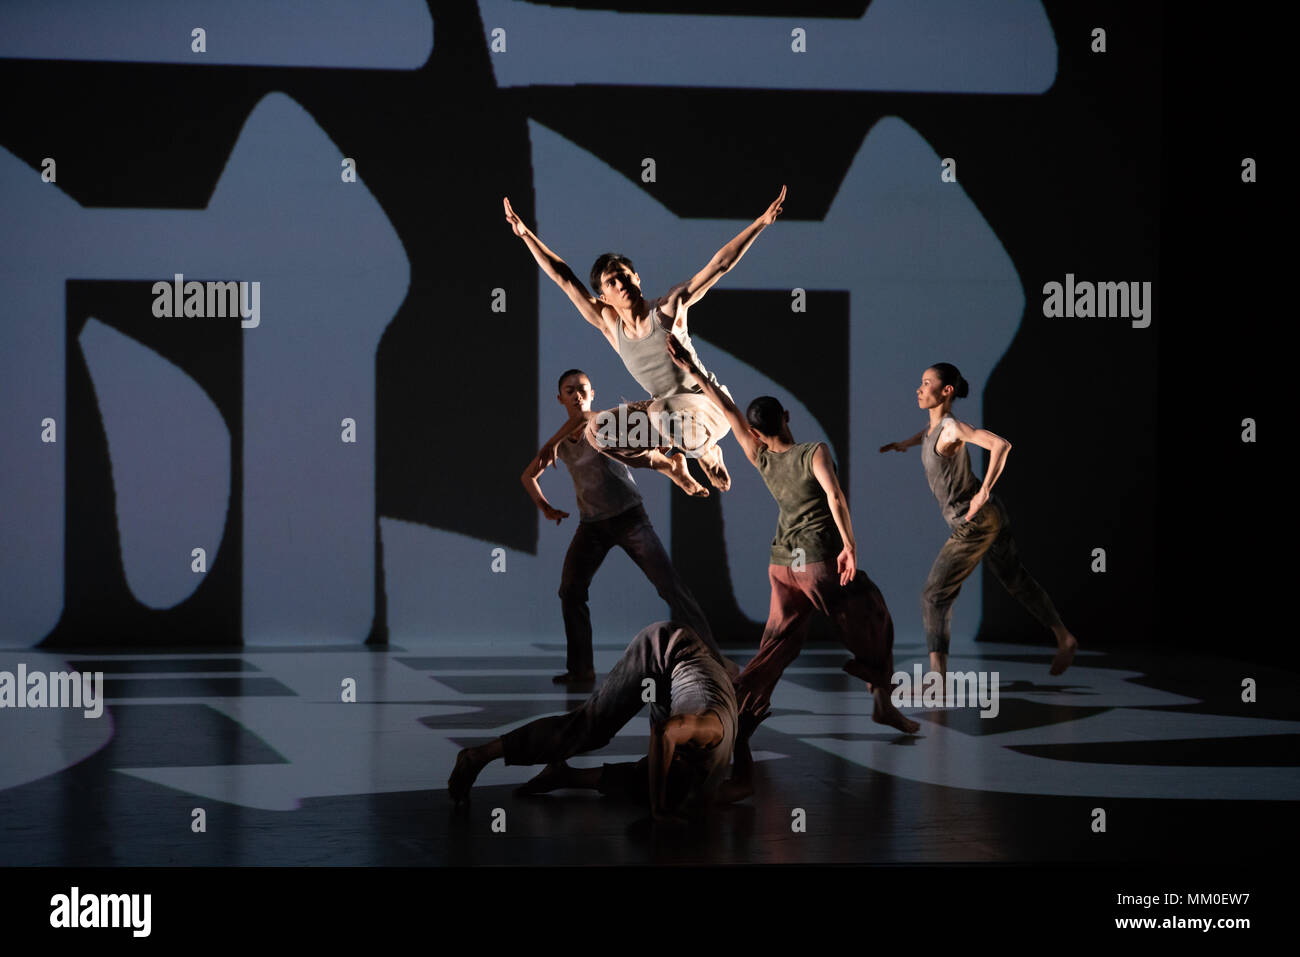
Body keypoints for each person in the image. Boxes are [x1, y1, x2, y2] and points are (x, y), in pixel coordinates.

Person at [664, 335, 921, 758]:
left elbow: (725, 407)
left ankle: (733, 722)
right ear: (785, 416)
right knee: (875, 614)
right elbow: (835, 497)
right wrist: (850, 546)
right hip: (818, 562)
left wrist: (690, 367)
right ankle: (883, 700)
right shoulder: (811, 452)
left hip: (783, 565)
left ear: (755, 431)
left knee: (778, 646)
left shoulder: (758, 455)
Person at [503, 187, 787, 493]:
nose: (621, 283)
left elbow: (718, 266)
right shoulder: (609, 325)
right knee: (598, 432)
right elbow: (564, 278)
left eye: (625, 276)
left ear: (637, 279)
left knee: (658, 411)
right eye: (612, 282)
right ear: (604, 297)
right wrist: (526, 236)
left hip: (710, 408)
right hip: (668, 417)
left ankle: (706, 452)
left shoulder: (667, 310)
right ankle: (668, 465)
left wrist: (759, 223)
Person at [522, 369, 734, 686]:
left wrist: (550, 442)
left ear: (593, 393)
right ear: (560, 398)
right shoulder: (563, 446)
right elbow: (527, 477)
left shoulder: (601, 424)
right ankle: (581, 670)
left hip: (629, 518)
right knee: (571, 591)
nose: (577, 395)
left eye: (582, 389)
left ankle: (718, 661)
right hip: (592, 525)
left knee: (670, 587)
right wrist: (546, 508)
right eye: (570, 391)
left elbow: (584, 420)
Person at [879, 364, 1078, 678]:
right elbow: (928, 435)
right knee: (1016, 579)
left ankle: (937, 679)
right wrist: (906, 443)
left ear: (947, 391)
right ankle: (1064, 638)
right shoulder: (933, 428)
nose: (919, 388)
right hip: (989, 517)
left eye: (927, 383)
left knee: (934, 594)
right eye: (920, 382)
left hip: (974, 521)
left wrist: (983, 491)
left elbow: (1001, 445)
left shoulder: (951, 427)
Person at [448, 621, 749, 824]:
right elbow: (664, 732)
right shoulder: (708, 730)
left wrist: (745, 739)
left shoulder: (704, 792)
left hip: (693, 682)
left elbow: (745, 786)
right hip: (667, 649)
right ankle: (478, 755)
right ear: (680, 760)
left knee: (648, 771)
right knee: (591, 727)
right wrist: (659, 811)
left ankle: (562, 775)